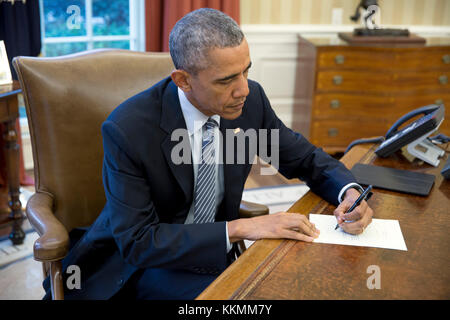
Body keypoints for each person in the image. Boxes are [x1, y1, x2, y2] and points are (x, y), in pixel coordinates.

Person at [43, 8, 373, 300]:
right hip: (140, 266)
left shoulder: (249, 102)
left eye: (246, 70)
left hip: (212, 253)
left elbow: (304, 158)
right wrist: (240, 228)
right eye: (227, 79)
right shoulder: (128, 130)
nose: (243, 88)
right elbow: (138, 242)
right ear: (183, 81)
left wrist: (350, 193)